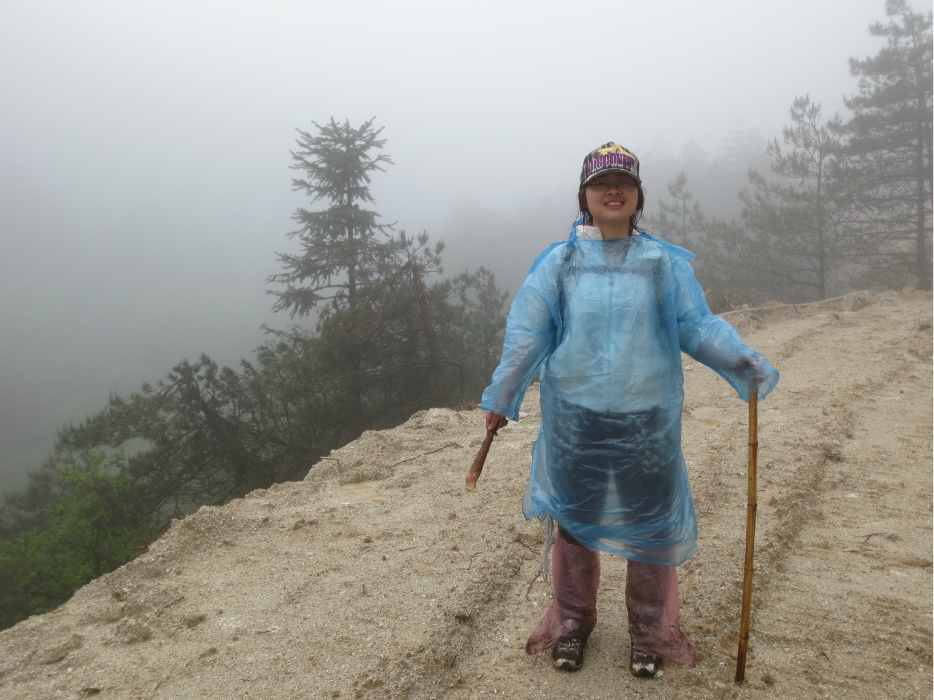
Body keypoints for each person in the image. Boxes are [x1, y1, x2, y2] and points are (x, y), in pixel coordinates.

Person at [481, 142, 779, 677]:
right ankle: (572, 621)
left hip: (646, 417)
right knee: (574, 523)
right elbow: (529, 334)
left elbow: (694, 325)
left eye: (624, 182)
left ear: (638, 196)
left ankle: (650, 632)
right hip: (576, 417)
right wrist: (503, 396)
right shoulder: (561, 263)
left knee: (651, 527)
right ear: (584, 196)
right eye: (601, 183)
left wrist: (740, 359)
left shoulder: (659, 262)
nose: (612, 190)